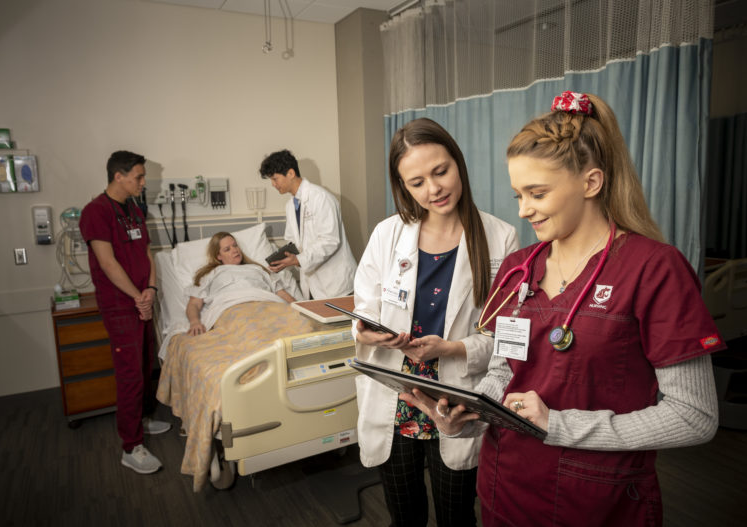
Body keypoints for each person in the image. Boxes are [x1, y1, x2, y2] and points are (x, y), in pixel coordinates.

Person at [401, 92, 725, 526]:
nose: (523, 210)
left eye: (537, 193)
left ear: (591, 183)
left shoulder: (654, 270)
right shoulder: (519, 270)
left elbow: (694, 416)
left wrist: (559, 424)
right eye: (518, 194)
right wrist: (470, 417)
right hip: (505, 489)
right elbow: (504, 371)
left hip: (596, 501)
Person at [352, 118, 519, 526]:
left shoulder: (501, 238)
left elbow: (505, 337)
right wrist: (366, 329)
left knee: (455, 514)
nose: (434, 189)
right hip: (397, 393)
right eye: (417, 182)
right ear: (403, 186)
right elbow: (365, 306)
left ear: (458, 162)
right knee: (404, 514)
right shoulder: (388, 235)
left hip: (455, 395)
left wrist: (451, 348)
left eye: (440, 171)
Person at [80, 150, 171, 475]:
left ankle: (143, 420)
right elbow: (107, 263)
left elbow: (146, 252)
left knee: (146, 362)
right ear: (119, 176)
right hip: (120, 305)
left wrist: (152, 289)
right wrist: (137, 297)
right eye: (139, 177)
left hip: (141, 299)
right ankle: (131, 446)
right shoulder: (96, 211)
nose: (143, 182)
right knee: (130, 373)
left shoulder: (133, 209)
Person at [259, 149, 357, 299]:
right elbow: (292, 240)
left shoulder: (321, 198)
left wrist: (299, 259)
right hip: (312, 284)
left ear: (290, 173)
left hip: (336, 283)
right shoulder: (291, 205)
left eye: (275, 179)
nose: (273, 184)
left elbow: (330, 241)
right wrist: (287, 258)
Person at [185, 232, 296, 336]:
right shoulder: (211, 273)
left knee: (293, 324)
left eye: (235, 245)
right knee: (248, 328)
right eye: (227, 249)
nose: (235, 250)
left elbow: (281, 293)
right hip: (232, 308)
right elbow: (194, 303)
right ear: (218, 256)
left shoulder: (258, 269)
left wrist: (304, 310)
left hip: (266, 303)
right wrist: (194, 322)